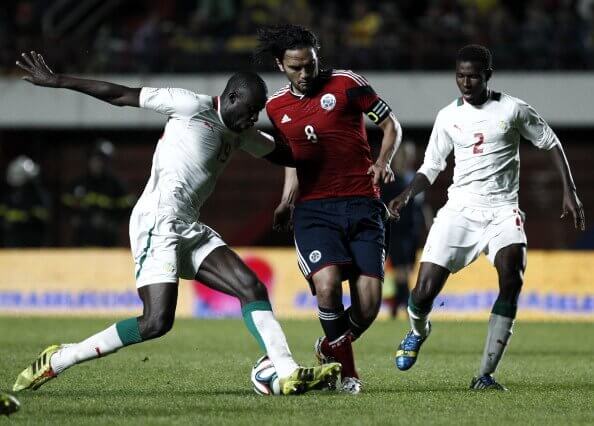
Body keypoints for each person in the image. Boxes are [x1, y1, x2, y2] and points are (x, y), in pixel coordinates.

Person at [13, 51, 340, 395]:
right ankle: (60, 358)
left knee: (251, 288)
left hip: (188, 226)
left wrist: (323, 133)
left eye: (257, 114)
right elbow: (121, 95)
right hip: (157, 221)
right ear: (231, 98)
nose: (252, 119)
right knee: (156, 322)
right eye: (249, 111)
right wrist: (58, 80)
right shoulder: (189, 105)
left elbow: (286, 153)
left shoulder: (241, 133)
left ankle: (287, 371)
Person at [388, 44, 585, 390]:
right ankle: (418, 331)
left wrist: (569, 189)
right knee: (421, 293)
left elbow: (550, 141)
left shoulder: (513, 110)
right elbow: (432, 166)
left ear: (488, 76)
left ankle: (484, 375)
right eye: (460, 76)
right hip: (459, 211)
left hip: (503, 211)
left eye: (473, 76)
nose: (466, 82)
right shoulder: (448, 116)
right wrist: (406, 195)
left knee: (512, 278)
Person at [256, 25, 402, 394]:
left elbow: (391, 125)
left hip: (363, 204)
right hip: (315, 210)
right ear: (280, 65)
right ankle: (347, 374)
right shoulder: (275, 106)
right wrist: (287, 199)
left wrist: (383, 161)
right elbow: (293, 157)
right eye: (296, 68)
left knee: (368, 306)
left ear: (318, 58)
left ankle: (327, 346)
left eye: (310, 65)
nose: (305, 75)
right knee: (327, 287)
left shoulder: (347, 83)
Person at [380, 141, 431, 318]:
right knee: (400, 270)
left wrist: (427, 224)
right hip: (396, 230)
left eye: (408, 155)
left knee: (407, 269)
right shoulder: (390, 179)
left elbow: (421, 206)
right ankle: (404, 305)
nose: (406, 159)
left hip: (412, 230)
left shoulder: (414, 178)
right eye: (403, 155)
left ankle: (400, 303)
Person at [62, 140, 134, 246]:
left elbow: (128, 206)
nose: (97, 164)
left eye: (101, 161)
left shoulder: (116, 185)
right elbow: (65, 203)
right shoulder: (79, 183)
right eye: (94, 160)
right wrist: (75, 218)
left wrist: (112, 221)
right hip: (83, 237)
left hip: (107, 238)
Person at [1, 155, 51, 247]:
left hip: (33, 238)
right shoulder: (7, 196)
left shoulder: (39, 195)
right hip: (12, 238)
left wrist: (27, 216)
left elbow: (43, 216)